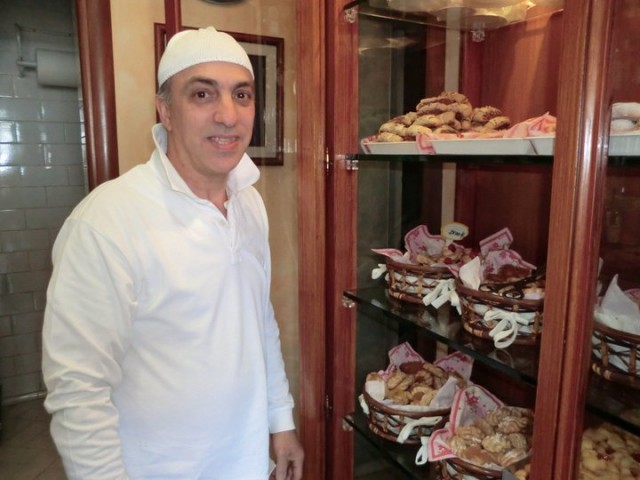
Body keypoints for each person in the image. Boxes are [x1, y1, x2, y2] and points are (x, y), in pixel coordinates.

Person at [42, 26, 304, 480]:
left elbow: (258, 319)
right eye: (203, 94)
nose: (228, 115)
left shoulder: (249, 202)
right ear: (165, 110)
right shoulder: (107, 222)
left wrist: (281, 420)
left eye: (242, 95)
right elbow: (78, 389)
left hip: (247, 464)